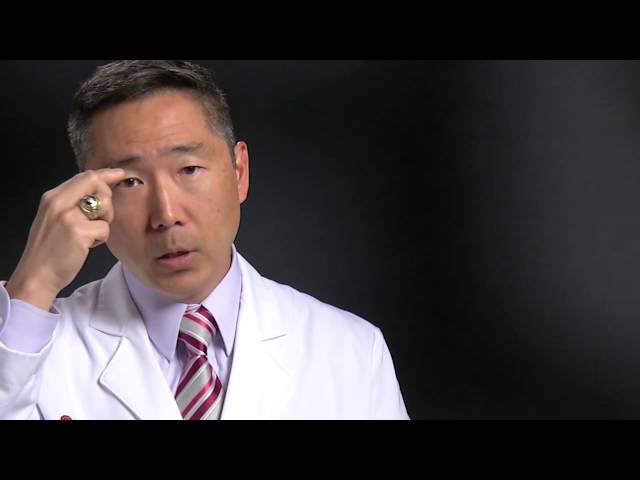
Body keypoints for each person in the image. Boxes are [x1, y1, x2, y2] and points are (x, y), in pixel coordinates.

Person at [0, 60, 409, 420]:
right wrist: (33, 284)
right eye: (129, 182)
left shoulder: (351, 351)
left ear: (239, 172)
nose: (166, 215)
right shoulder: (29, 348)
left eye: (189, 169)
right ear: (89, 199)